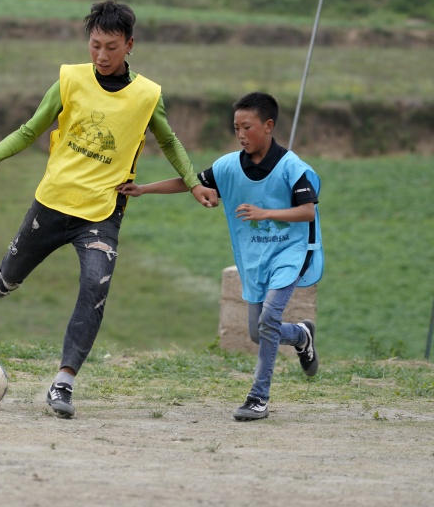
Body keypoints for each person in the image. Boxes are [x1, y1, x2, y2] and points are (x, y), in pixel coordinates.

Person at [0, 0, 211, 419]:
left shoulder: (147, 95)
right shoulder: (70, 80)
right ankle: (7, 276)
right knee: (9, 278)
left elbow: (169, 141)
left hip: (101, 215)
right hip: (52, 203)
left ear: (130, 45)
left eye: (111, 47)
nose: (102, 56)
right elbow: (30, 129)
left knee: (95, 289)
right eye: (95, 45)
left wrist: (193, 181)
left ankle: (64, 381)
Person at [119, 91, 322, 421]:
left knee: (268, 318)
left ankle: (258, 397)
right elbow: (191, 182)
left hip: (290, 253)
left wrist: (265, 213)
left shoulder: (291, 167)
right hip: (255, 259)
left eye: (247, 127)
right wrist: (144, 189)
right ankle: (301, 335)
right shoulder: (228, 166)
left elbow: (307, 212)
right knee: (259, 331)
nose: (241, 134)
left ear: (268, 126)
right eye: (236, 128)